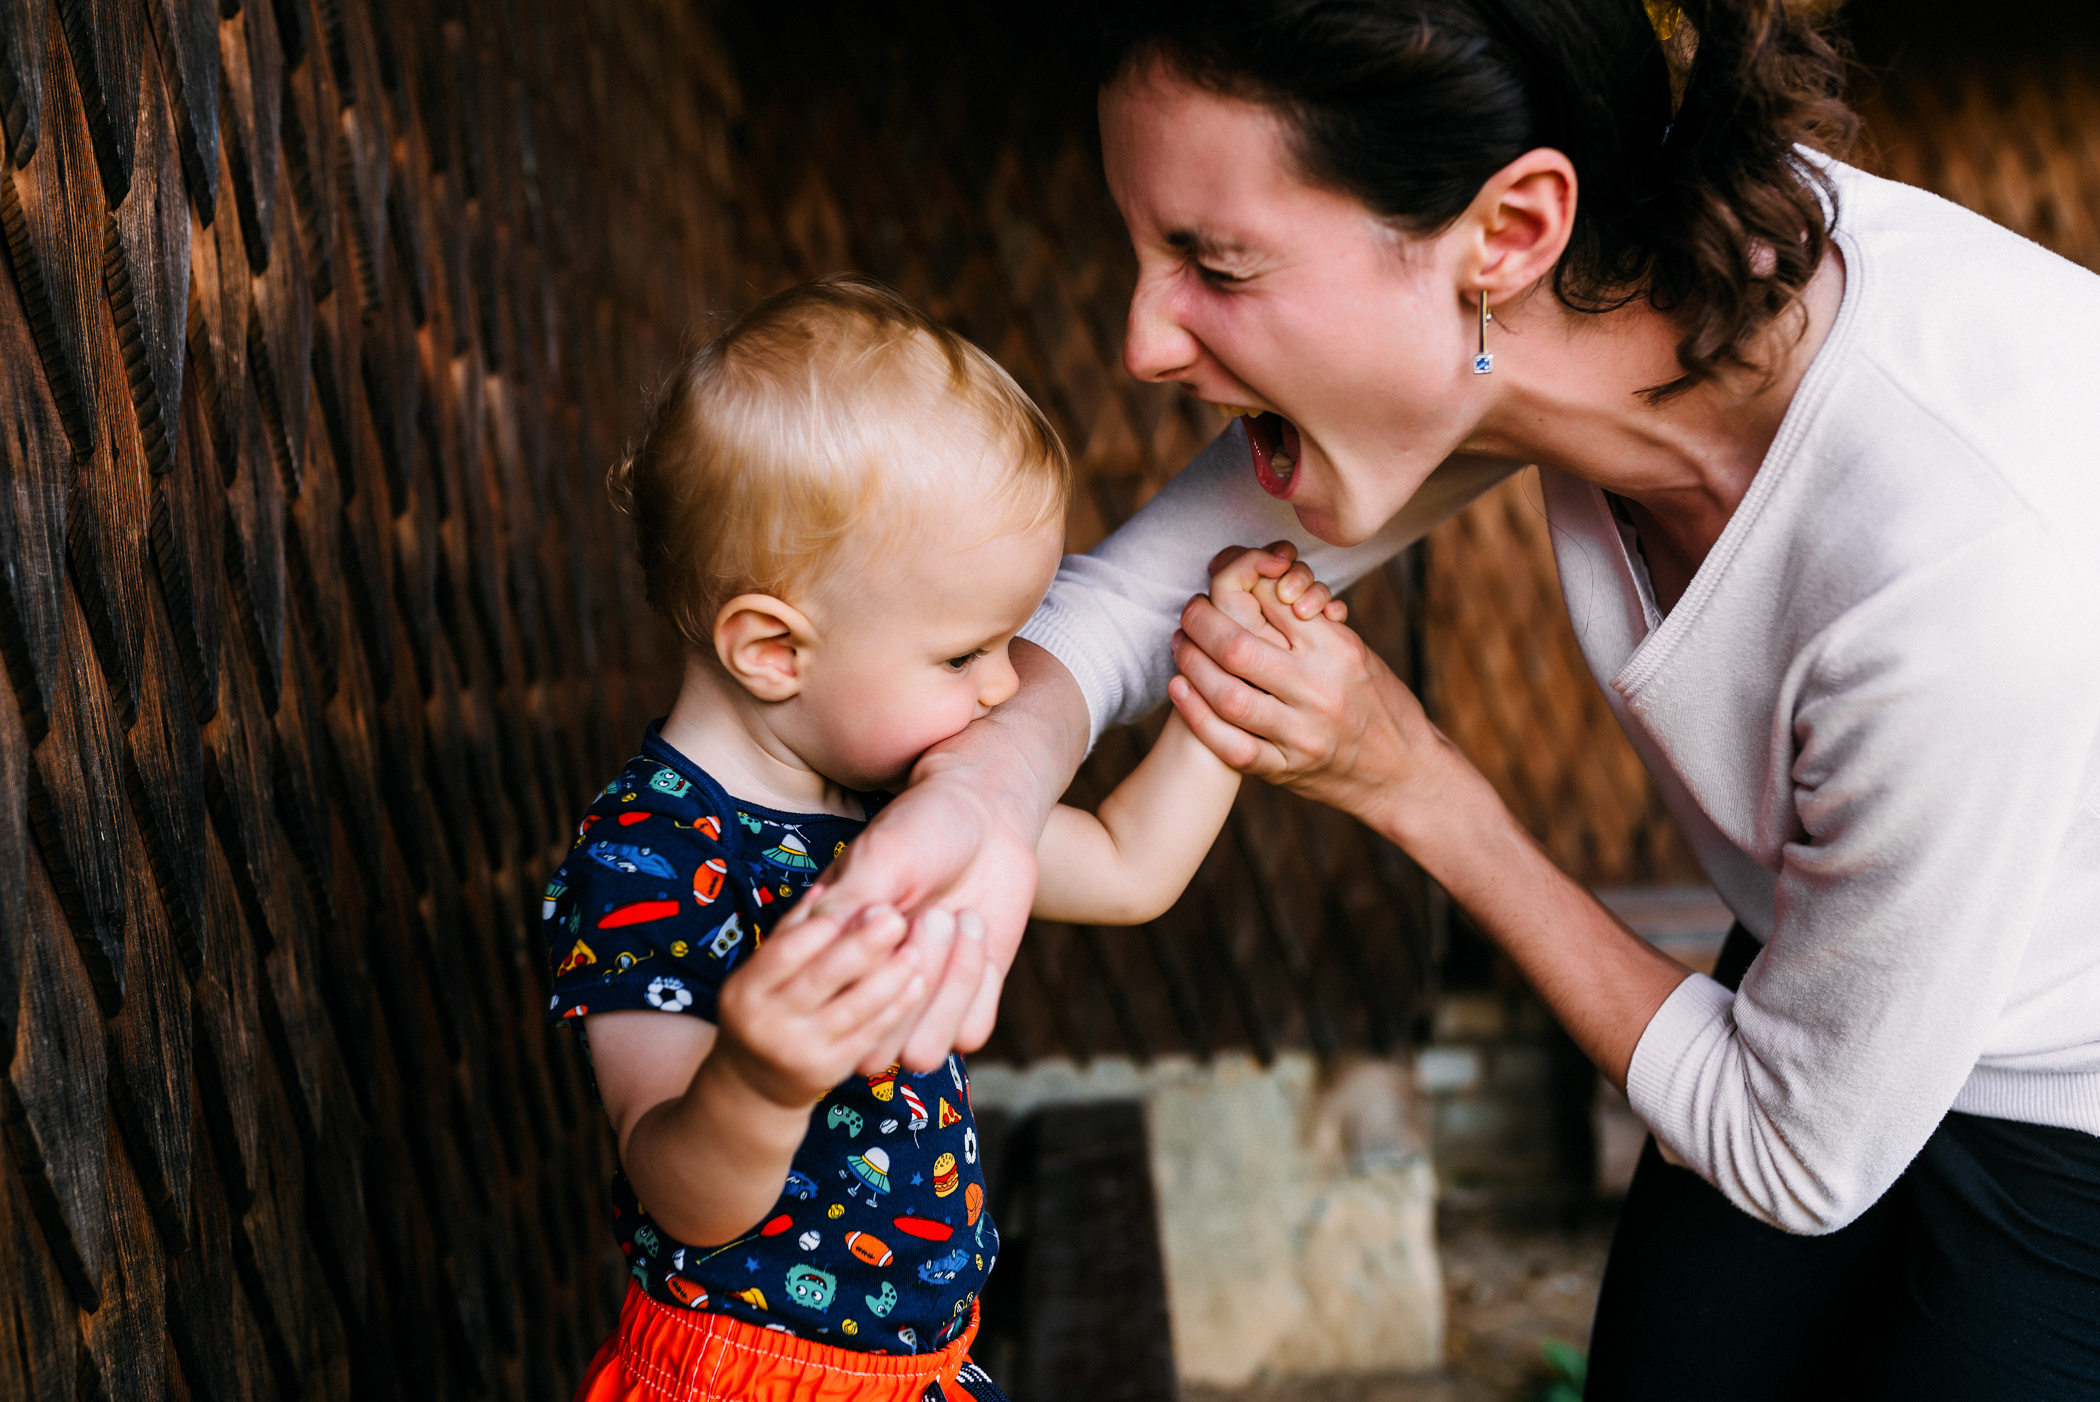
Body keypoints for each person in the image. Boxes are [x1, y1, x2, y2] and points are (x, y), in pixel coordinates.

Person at [785, 3, 2100, 1398]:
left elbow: (1792, 1151)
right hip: (1812, 989)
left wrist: (1412, 782)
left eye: (1213, 262)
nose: (1143, 342)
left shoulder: (1955, 573)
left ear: (1510, 232)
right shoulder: (1606, 295)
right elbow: (1118, 607)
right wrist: (990, 795)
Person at [549, 275, 1247, 1401]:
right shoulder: (649, 855)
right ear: (773, 648)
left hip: (926, 1371)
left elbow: (1129, 866)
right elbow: (681, 1188)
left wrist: (1230, 698)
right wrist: (759, 1083)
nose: (1009, 687)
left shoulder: (894, 799)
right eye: (966, 653)